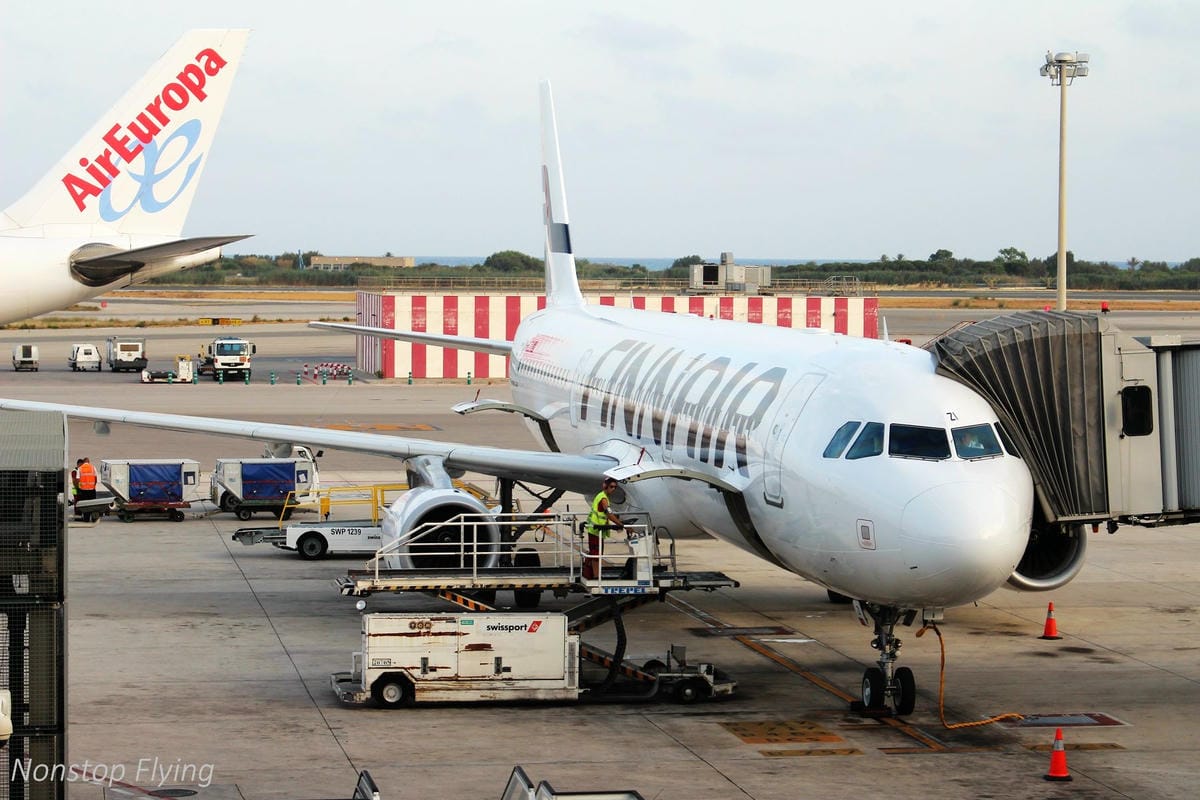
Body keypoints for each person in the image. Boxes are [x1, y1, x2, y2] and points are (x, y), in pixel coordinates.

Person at [584, 477, 623, 580]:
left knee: (595, 553)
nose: (613, 489)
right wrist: (620, 524)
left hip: (597, 530)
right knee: (596, 555)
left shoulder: (602, 496)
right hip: (596, 531)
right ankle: (596, 577)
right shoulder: (603, 498)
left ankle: (592, 574)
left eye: (615, 487)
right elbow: (609, 514)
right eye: (611, 487)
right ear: (605, 486)